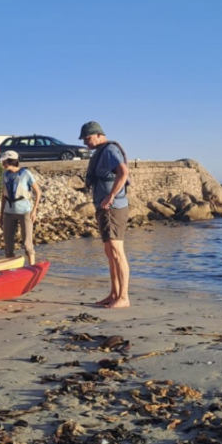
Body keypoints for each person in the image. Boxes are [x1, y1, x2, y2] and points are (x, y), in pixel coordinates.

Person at [80, 121, 130, 308]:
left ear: (99, 134)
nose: (86, 143)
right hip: (105, 207)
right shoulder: (102, 151)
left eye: (88, 138)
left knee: (117, 251)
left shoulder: (109, 150)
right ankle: (114, 293)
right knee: (110, 252)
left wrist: (110, 196)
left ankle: (123, 297)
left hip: (113, 207)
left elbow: (123, 172)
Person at [0, 150, 41, 265]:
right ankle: (10, 267)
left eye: (4, 161)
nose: (2, 164)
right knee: (8, 244)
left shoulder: (26, 174)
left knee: (27, 243)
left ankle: (32, 266)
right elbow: (4, 196)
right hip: (9, 212)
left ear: (10, 161)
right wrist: (1, 214)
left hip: (25, 212)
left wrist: (34, 211)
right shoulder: (5, 175)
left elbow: (38, 192)